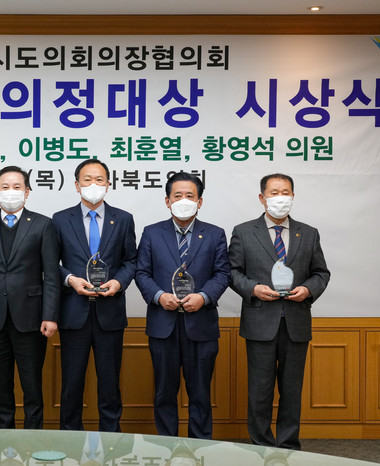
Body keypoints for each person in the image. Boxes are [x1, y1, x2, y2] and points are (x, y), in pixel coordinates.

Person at [228, 173, 330, 450]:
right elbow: (232, 272)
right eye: (274, 193)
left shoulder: (308, 233)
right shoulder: (244, 231)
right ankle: (260, 446)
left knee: (292, 391)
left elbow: (321, 273)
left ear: (293, 196)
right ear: (262, 198)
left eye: (285, 192)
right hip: (260, 321)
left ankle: (288, 446)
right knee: (259, 391)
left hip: (296, 322)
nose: (280, 198)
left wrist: (308, 289)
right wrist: (253, 289)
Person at [135, 171, 230, 439]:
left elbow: (223, 273)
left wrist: (204, 297)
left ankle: (200, 448)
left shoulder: (215, 234)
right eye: (178, 196)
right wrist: (158, 296)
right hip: (162, 325)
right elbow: (142, 272)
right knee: (164, 392)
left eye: (190, 195)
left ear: (200, 201)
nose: (184, 200)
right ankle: (167, 446)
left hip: (201, 326)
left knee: (200, 393)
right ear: (167, 201)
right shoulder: (152, 233)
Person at [0, 165, 60, 429]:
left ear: (27, 192)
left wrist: (50, 315)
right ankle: (4, 439)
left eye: (17, 187)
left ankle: (34, 439)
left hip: (31, 320)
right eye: (5, 187)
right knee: (0, 388)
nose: (11, 192)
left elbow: (51, 275)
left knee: (32, 389)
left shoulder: (43, 224)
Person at [51, 159, 137, 431]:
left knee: (110, 385)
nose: (93, 185)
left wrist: (118, 283)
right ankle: (69, 438)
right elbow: (50, 263)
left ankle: (111, 441)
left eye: (99, 179)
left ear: (108, 184)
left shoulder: (123, 219)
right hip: (73, 312)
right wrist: (70, 279)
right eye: (87, 180)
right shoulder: (60, 219)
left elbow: (131, 261)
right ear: (77, 185)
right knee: (71, 384)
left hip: (109, 314)